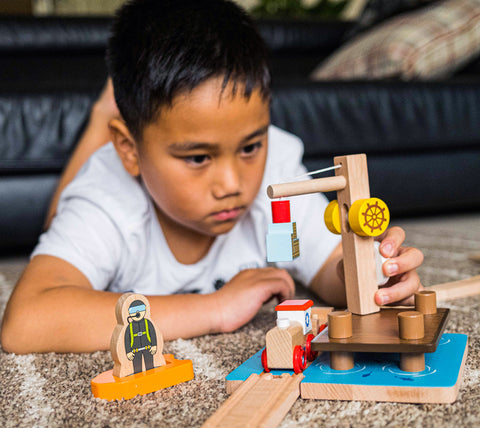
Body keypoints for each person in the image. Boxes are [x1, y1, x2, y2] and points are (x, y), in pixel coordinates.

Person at [1, 0, 423, 354]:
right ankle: (102, 116)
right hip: (106, 185)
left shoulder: (275, 166)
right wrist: (215, 308)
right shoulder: (108, 197)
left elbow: (329, 266)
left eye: (249, 147)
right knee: (60, 219)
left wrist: (370, 275)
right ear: (129, 150)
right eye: (199, 157)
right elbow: (27, 321)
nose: (232, 184)